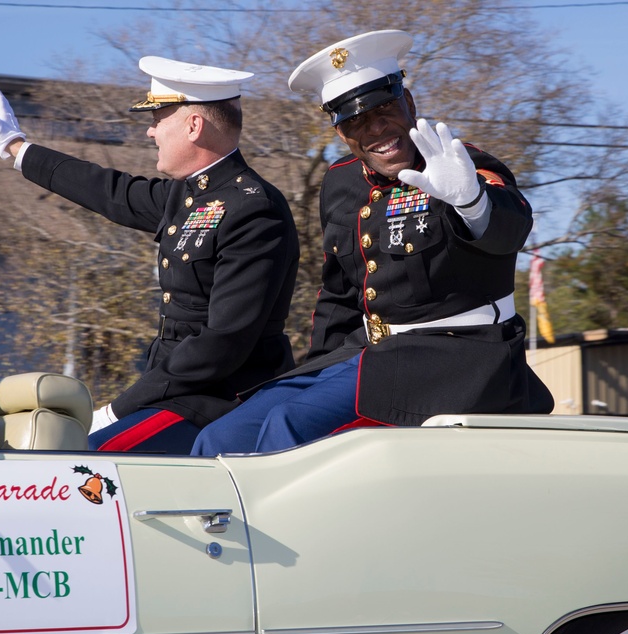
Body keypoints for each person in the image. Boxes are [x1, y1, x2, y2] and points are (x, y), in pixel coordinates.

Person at [193, 30, 554, 456]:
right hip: (369, 353)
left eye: (384, 109)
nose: (375, 129)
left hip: (458, 355)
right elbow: (339, 294)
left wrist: (472, 202)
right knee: (221, 437)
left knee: (289, 427)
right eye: (354, 120)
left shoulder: (457, 163)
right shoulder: (341, 181)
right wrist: (318, 370)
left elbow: (509, 229)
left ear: (410, 103)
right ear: (341, 131)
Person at [0, 57, 299, 454]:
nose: (150, 132)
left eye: (159, 119)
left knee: (86, 463)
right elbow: (111, 191)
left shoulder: (252, 207)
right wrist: (19, 149)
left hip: (219, 398)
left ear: (193, 126)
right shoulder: (189, 193)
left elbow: (224, 341)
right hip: (172, 388)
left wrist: (119, 409)